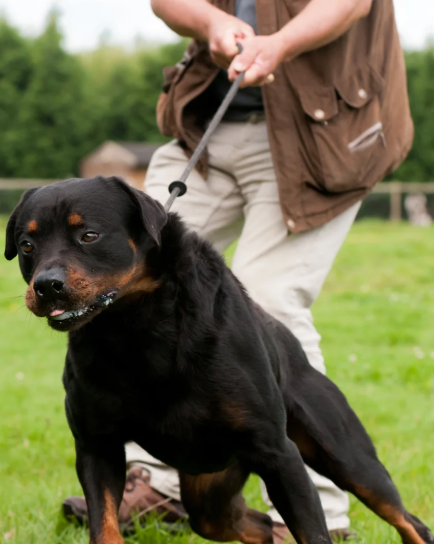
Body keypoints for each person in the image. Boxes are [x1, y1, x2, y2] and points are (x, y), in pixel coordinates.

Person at [62, 0, 413, 541]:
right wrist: (211, 22)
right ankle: (165, 487)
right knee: (119, 288)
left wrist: (281, 43)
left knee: (270, 303)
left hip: (320, 130)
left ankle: (318, 516)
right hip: (209, 121)